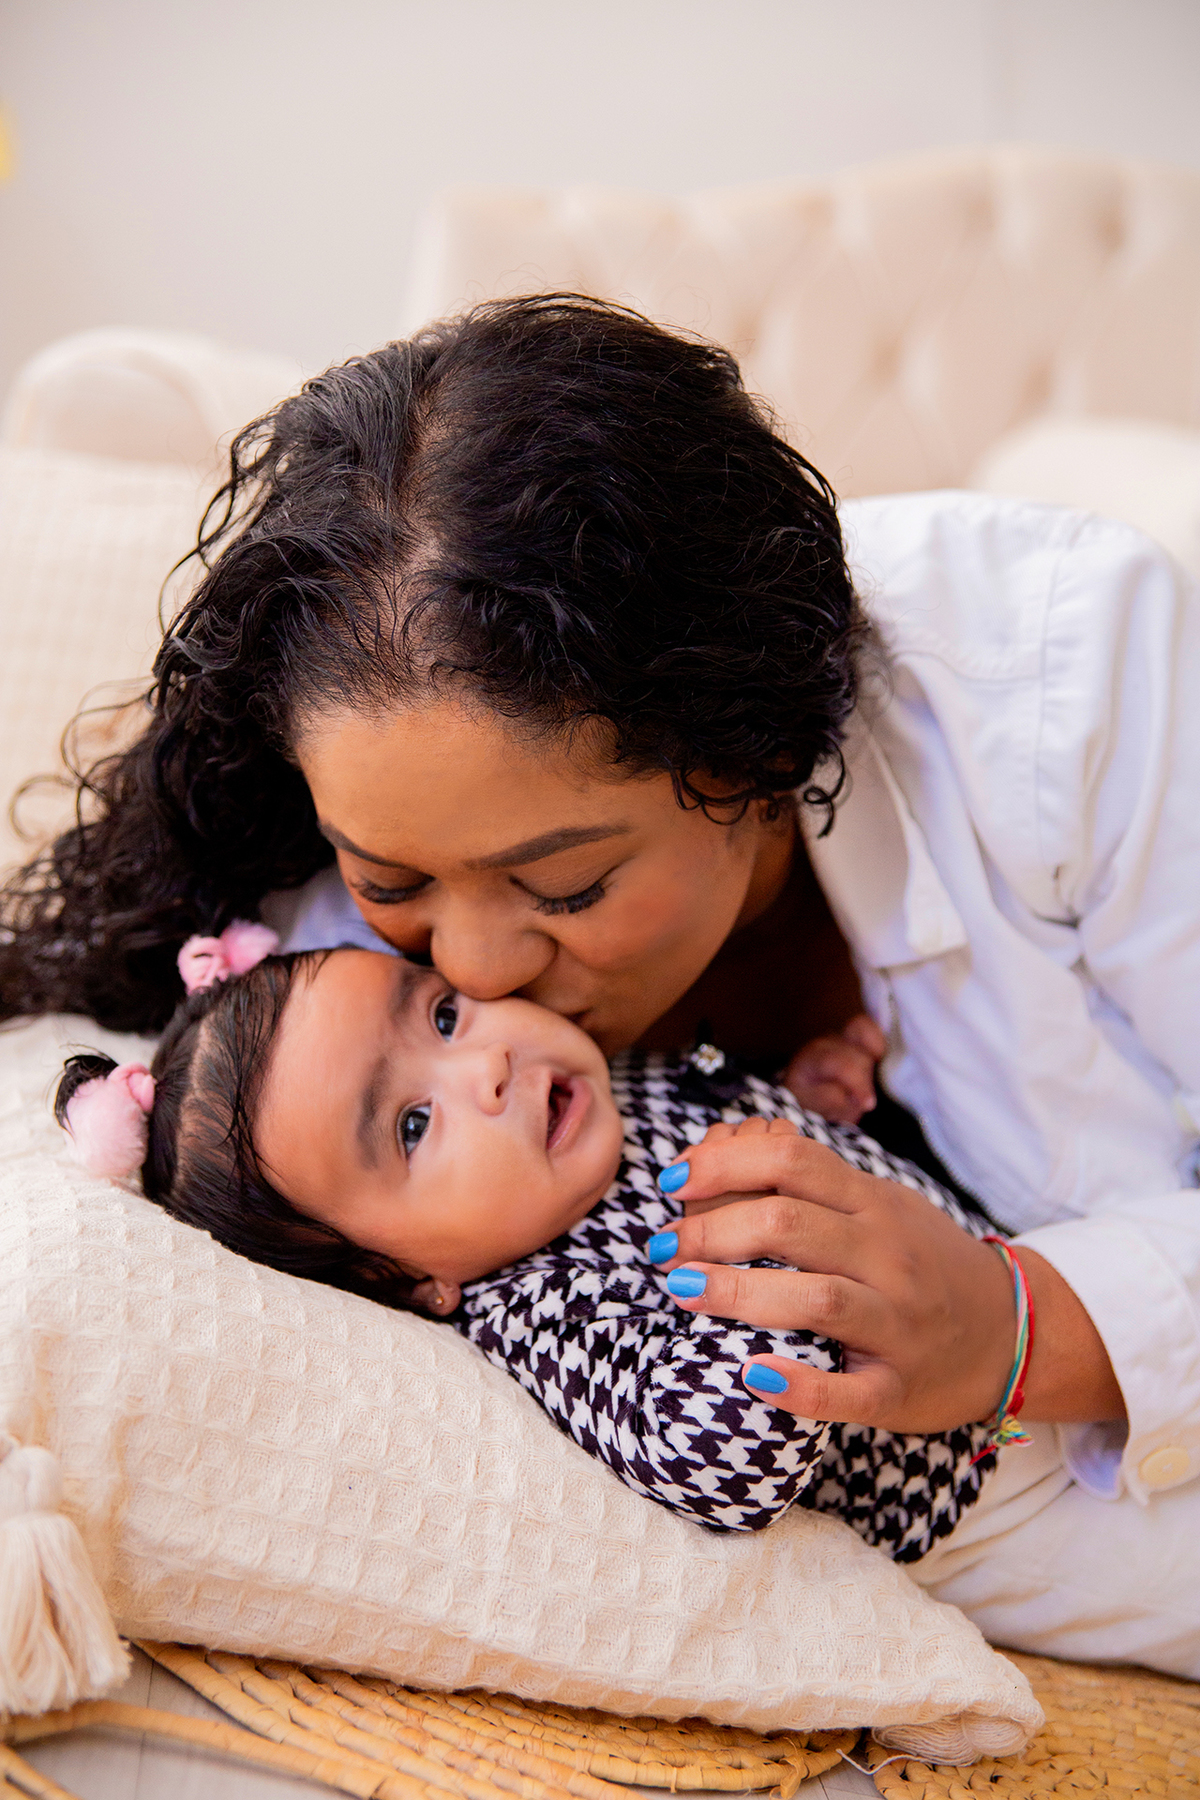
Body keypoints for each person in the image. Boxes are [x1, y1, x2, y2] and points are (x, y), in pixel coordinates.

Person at [3, 294, 1198, 1673]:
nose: (478, 971)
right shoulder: (309, 946)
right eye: (395, 885)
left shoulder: (1062, 677)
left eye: (564, 888)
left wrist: (1023, 1327)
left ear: (753, 749)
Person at [56, 933, 1005, 1561]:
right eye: (415, 1126)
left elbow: (720, 1100)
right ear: (404, 1276)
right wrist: (773, 1242)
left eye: (441, 1015)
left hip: (1005, 1287)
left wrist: (800, 1099)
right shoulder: (543, 1302)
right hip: (978, 1487)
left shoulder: (601, 1083)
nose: (489, 1066)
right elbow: (716, 1458)